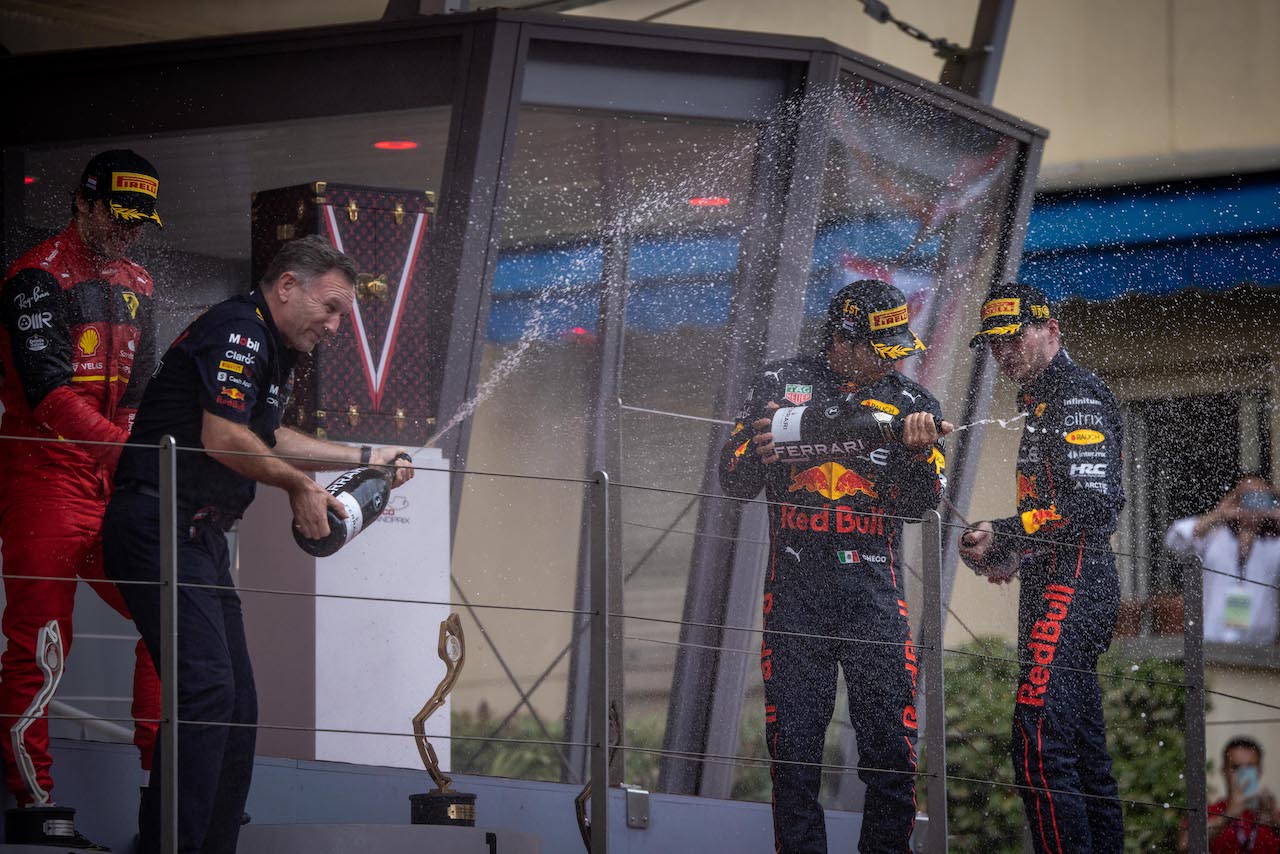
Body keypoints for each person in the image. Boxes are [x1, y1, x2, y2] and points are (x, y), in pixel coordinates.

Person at [101, 235, 415, 854]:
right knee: (207, 687)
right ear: (287, 285)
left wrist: (365, 456)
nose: (334, 326)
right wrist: (299, 487)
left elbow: (265, 437)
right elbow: (223, 437)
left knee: (238, 702)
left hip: (200, 533)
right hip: (158, 522)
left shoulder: (272, 345)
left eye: (341, 317)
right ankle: (171, 845)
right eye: (329, 309)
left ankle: (212, 845)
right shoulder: (239, 330)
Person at [720, 279, 950, 854]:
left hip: (874, 595)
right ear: (844, 340)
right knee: (794, 753)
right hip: (794, 594)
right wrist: (775, 440)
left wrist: (920, 455)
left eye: (901, 346)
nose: (896, 360)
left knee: (892, 753)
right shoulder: (778, 383)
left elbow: (921, 503)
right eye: (884, 346)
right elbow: (733, 478)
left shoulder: (913, 404)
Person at [0, 149, 164, 848]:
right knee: (40, 643)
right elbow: (47, 396)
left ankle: (167, 786)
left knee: (171, 606)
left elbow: (139, 398)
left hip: (107, 480)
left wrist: (134, 467)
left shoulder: (140, 284)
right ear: (84, 203)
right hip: (40, 475)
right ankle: (35, 804)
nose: (128, 232)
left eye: (139, 221)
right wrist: (127, 455)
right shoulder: (33, 277)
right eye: (117, 216)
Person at [958, 282, 1125, 854]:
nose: (1005, 355)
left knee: (1036, 743)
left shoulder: (1075, 396)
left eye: (1013, 339)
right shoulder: (1042, 402)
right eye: (996, 345)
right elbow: (1053, 514)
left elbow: (1093, 507)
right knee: (1078, 746)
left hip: (1077, 581)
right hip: (1055, 576)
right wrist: (1011, 551)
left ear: (1051, 330)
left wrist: (1005, 530)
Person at [1165, 474, 1280, 646]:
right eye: (1246, 497)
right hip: (1213, 638)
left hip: (1260, 644)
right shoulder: (1215, 534)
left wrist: (1276, 514)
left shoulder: (1275, 542)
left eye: (1260, 497)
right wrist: (1219, 514)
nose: (1253, 504)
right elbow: (1175, 541)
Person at [1180, 736, 1280, 853]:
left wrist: (1275, 821)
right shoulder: (1208, 812)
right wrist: (1227, 815)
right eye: (1236, 767)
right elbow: (1184, 846)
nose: (1243, 774)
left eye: (1249, 767)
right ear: (1224, 770)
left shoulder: (1271, 813)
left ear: (1259, 771)